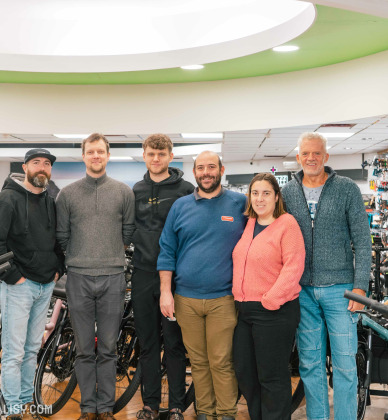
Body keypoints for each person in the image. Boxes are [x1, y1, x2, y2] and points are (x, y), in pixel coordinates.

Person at [281, 132, 372, 420]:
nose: (311, 158)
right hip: (303, 291)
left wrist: (360, 287)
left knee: (345, 364)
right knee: (310, 364)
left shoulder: (346, 188)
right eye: (306, 153)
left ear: (326, 157)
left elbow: (362, 239)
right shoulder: (287, 193)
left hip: (341, 290)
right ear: (298, 157)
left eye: (317, 153)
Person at [158, 151, 246, 420]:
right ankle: (205, 412)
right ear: (194, 172)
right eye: (200, 168)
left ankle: (227, 413)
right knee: (198, 361)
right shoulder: (181, 206)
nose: (206, 172)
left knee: (221, 361)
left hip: (224, 298)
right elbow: (167, 250)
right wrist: (165, 292)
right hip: (186, 299)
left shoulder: (240, 203)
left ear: (221, 168)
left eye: (211, 167)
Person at [56, 133, 135, 420]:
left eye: (101, 151)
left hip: (113, 277)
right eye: (91, 152)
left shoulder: (123, 192)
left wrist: (109, 253)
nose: (96, 156)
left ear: (108, 155)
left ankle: (105, 409)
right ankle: (88, 408)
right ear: (83, 156)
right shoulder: (67, 194)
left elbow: (128, 232)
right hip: (78, 278)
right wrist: (81, 257)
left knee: (109, 348)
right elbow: (62, 235)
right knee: (84, 348)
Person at [0, 148, 65, 420]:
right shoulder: (6, 200)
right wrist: (14, 277)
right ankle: (12, 408)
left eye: (46, 164)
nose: (42, 168)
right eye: (36, 163)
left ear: (50, 171)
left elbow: (56, 242)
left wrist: (57, 269)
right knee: (14, 352)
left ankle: (27, 402)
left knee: (32, 349)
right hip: (18, 286)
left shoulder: (50, 202)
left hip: (45, 286)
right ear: (25, 167)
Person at [232, 172, 305, 420]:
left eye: (266, 193)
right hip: (244, 310)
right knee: (245, 372)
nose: (260, 199)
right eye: (255, 193)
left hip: (274, 311)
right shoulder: (250, 223)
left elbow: (293, 267)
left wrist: (271, 299)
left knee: (271, 376)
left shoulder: (287, 224)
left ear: (276, 196)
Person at [132, 134, 194, 420]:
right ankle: (150, 404)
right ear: (144, 155)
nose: (156, 159)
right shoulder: (137, 190)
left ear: (171, 156)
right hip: (143, 275)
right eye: (151, 154)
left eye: (161, 154)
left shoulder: (185, 190)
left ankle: (177, 406)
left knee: (174, 344)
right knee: (147, 344)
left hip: (176, 278)